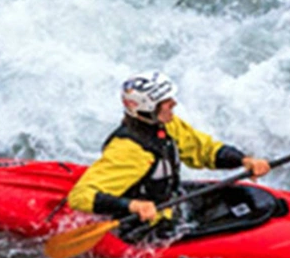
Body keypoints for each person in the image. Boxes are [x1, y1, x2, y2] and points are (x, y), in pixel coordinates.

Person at [67, 71, 271, 238]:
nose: (173, 103)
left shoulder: (167, 124)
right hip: (143, 225)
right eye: (166, 101)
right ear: (147, 108)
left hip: (170, 203)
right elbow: (80, 196)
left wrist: (243, 160)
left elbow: (202, 150)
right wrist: (133, 205)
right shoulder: (128, 150)